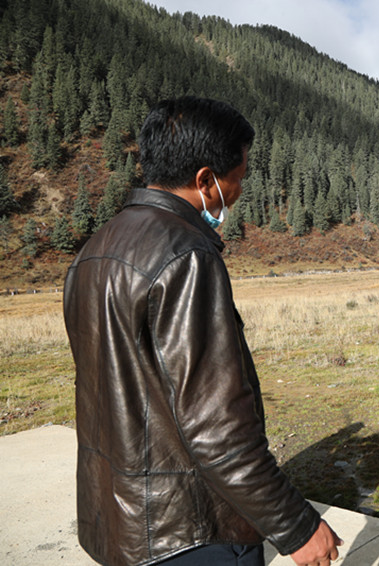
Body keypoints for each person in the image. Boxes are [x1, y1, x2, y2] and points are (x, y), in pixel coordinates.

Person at [63, 96, 342, 566]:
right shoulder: (187, 255)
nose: (239, 190)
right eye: (238, 178)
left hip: (119, 521)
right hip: (192, 528)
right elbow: (217, 426)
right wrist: (296, 526)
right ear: (206, 180)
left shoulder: (94, 249)